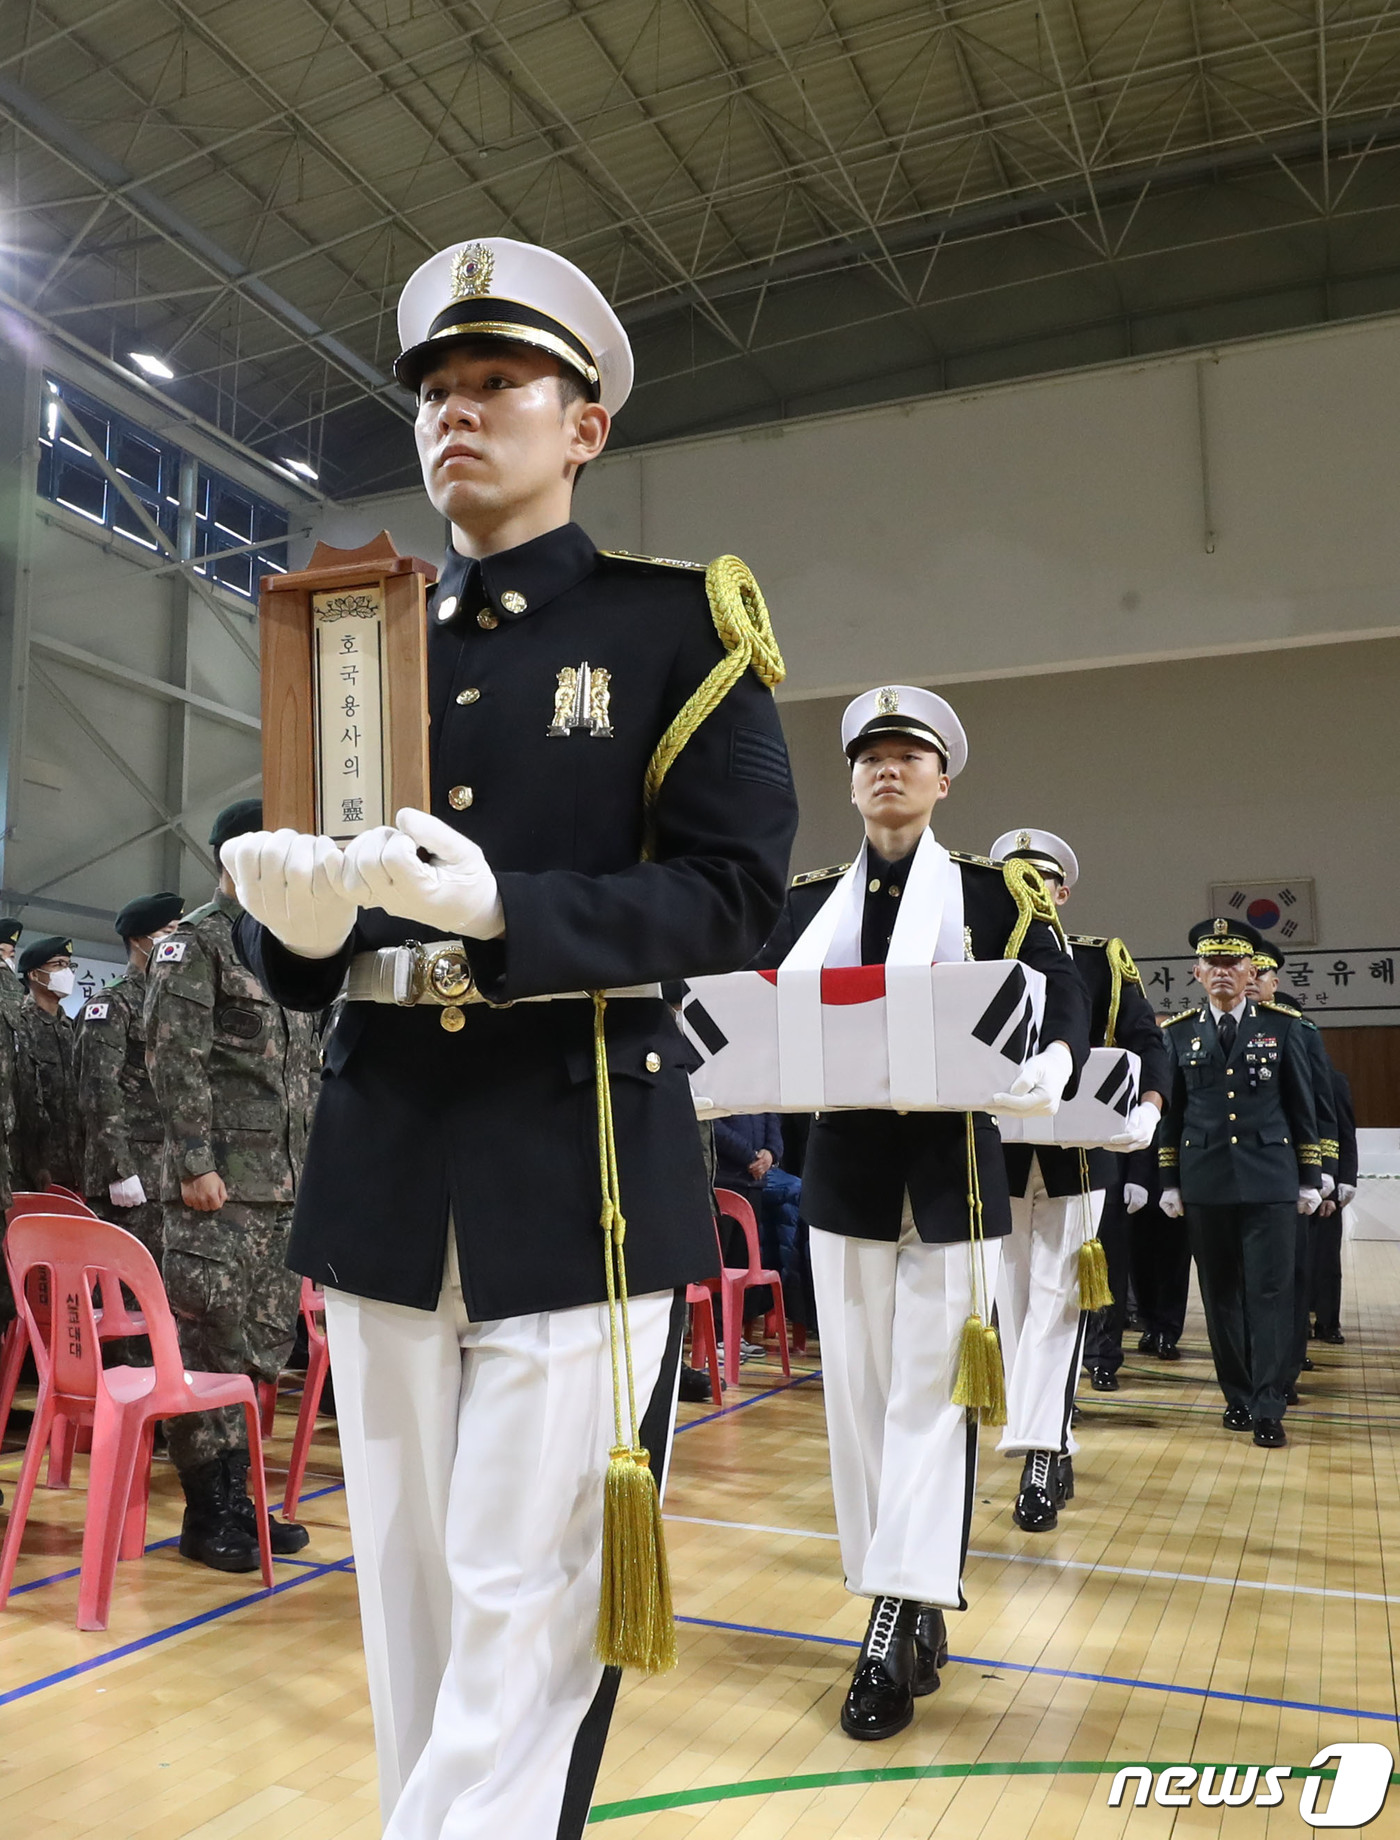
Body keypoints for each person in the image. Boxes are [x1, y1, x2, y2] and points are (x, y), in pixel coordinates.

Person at [222, 237, 797, 1840]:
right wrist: (300, 928)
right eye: (436, 391)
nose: (457, 415)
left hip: (578, 1163)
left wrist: (510, 915)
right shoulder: (362, 636)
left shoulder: (675, 629)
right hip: (387, 1164)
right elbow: (309, 929)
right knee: (407, 1592)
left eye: (498, 385)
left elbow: (736, 898)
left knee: (519, 1607)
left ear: (585, 424)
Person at [754, 687, 1089, 1741]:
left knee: (930, 1402)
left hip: (955, 1180)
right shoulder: (807, 903)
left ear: (943, 780)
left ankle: (891, 1620)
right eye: (868, 757)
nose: (885, 771)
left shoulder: (995, 897)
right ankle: (898, 1589)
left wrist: (1043, 1068)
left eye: (907, 756)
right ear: (851, 779)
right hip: (845, 1177)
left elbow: (1061, 1005)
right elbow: (757, 1004)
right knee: (854, 1403)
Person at [144, 802, 320, 1572]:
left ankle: (242, 1503)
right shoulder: (196, 945)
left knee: (262, 1352)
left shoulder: (290, 948)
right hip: (215, 1190)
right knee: (208, 1344)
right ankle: (205, 1512)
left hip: (282, 1190)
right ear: (232, 859)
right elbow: (171, 1059)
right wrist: (194, 1163)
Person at [987, 830, 1167, 1531]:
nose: (1031, 888)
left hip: (1078, 1161)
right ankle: (1050, 1436)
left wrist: (1150, 1107)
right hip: (998, 1162)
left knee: (1059, 1303)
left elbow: (1148, 1042)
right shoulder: (986, 953)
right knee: (1011, 1301)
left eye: (1043, 879)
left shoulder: (1097, 961)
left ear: (1062, 892)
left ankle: (1038, 1453)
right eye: (1016, 877)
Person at [1158, 919, 1322, 1448]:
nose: (1224, 973)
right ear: (1197, 972)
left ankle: (1270, 1403)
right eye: (1214, 964)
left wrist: (1311, 1178)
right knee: (1220, 1294)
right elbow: (1171, 1115)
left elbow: (1303, 1109)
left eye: (1235, 964)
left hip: (1271, 1180)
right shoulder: (1177, 1033)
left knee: (1271, 1293)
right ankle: (1238, 1395)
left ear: (1252, 970)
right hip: (1205, 1182)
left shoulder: (1285, 1026)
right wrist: (1168, 1180)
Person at [1249, 945, 1338, 1398]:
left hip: (1288, 1171)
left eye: (1260, 972)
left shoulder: (1299, 1030)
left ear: (1274, 981)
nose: (1250, 978)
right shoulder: (1213, 1030)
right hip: (1239, 1174)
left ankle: (1283, 1373)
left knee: (1290, 1278)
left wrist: (1322, 1171)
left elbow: (1322, 1106)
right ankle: (1254, 1373)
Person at [78, 891, 184, 1260]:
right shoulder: (112, 1004)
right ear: (139, 940)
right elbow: (98, 1089)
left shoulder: (172, 1001)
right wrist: (120, 1169)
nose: (176, 941)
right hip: (129, 1175)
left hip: (168, 1172)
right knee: (123, 1297)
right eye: (168, 931)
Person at [14, 935, 82, 1192]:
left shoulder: (71, 1027)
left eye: (69, 965)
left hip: (74, 1164)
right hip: (33, 1167)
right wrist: (35, 1163)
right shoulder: (19, 1024)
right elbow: (22, 1100)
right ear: (35, 974)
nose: (66, 972)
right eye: (58, 965)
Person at [1311, 1066, 1357, 1343]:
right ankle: (1298, 1322)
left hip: (1326, 1182)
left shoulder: (1332, 1077)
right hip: (1285, 1182)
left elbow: (1345, 1132)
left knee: (1326, 1258)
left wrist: (1345, 1178)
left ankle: (1328, 1322)